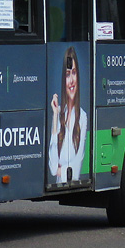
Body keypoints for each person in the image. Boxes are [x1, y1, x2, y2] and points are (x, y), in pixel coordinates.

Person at [48, 46, 88, 184]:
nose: (71, 80)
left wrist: (60, 170)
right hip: (59, 185)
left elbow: (76, 170)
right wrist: (55, 116)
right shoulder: (59, 113)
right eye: (67, 74)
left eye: (74, 73)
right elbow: (52, 167)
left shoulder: (82, 117)